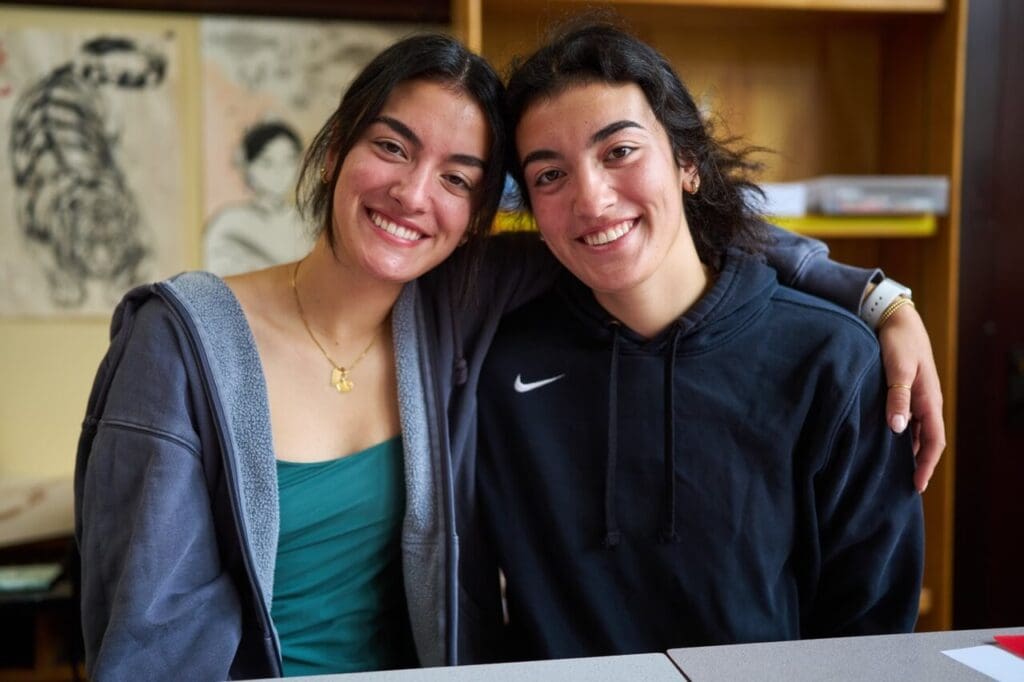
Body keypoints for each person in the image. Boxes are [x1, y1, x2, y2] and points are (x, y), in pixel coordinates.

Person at [73, 29, 940, 681]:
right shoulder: (188, 343)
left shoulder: (464, 300)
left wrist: (872, 297)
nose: (416, 195)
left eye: (458, 178)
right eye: (390, 147)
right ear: (337, 148)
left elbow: (675, 230)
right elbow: (146, 631)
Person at [466, 20, 925, 662]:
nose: (591, 199)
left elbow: (871, 627)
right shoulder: (499, 360)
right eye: (549, 175)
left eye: (619, 151)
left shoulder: (833, 359)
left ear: (687, 162)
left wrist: (885, 300)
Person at [204, 120, 311, 275]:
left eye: (289, 160)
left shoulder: (308, 222)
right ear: (248, 167)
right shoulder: (228, 223)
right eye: (267, 162)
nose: (279, 171)